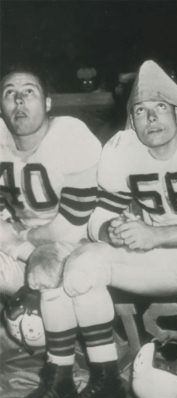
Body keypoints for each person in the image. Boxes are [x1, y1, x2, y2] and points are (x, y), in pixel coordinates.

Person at [2, 60, 177, 398]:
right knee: (81, 266)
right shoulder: (122, 148)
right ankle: (103, 379)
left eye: (160, 108)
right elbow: (97, 214)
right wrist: (112, 230)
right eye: (141, 111)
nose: (151, 119)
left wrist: (158, 233)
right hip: (149, 254)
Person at [0, 68, 100, 299]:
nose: (19, 99)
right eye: (9, 93)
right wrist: (23, 249)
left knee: (48, 274)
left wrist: (27, 238)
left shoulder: (70, 135)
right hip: (18, 246)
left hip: (73, 245)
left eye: (29, 91)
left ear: (47, 104)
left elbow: (73, 223)